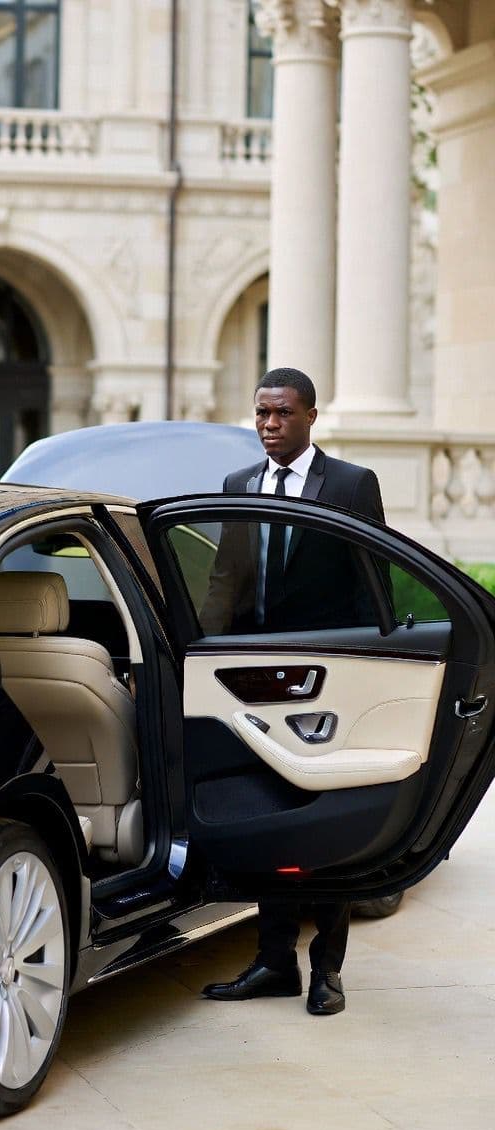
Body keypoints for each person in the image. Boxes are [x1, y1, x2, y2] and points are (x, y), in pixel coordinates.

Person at [200, 366, 386, 1016]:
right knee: (267, 822)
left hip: (328, 683)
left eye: (281, 413)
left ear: (310, 416)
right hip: (254, 684)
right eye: (261, 414)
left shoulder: (352, 485)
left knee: (324, 827)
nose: (269, 425)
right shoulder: (239, 487)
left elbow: (372, 584)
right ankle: (272, 962)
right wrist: (200, 653)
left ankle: (325, 973)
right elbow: (226, 580)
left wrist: (373, 671)